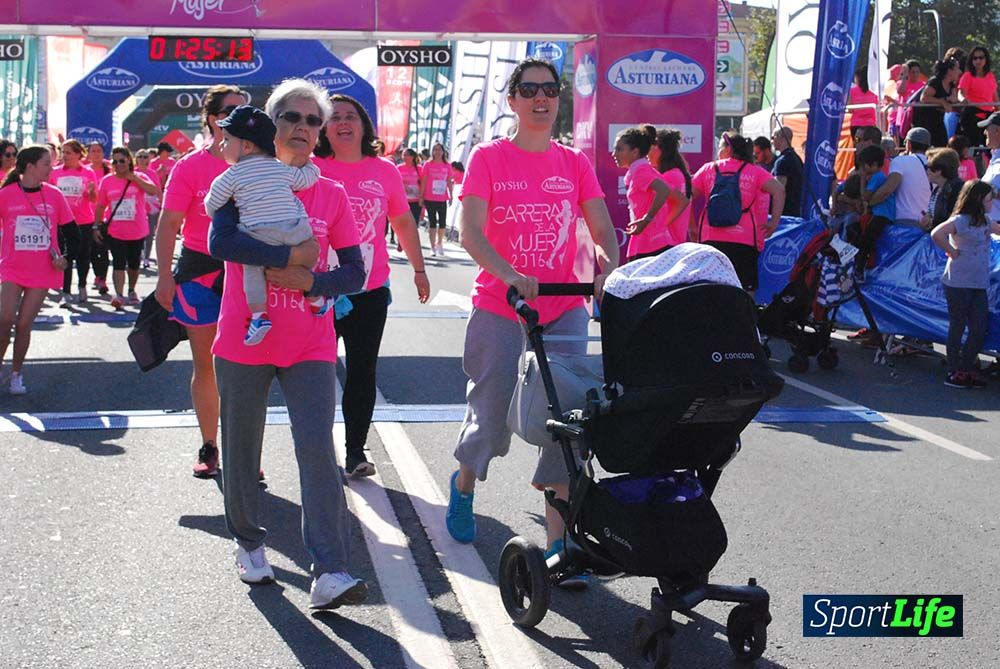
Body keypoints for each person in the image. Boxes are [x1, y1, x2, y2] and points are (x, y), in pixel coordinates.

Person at [446, 59, 620, 583]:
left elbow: (603, 230)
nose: (541, 98)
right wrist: (510, 274)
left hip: (563, 308)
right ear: (513, 100)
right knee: (491, 413)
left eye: (549, 89)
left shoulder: (574, 162)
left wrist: (607, 269)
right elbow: (470, 231)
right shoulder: (489, 157)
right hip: (501, 305)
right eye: (529, 90)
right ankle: (464, 484)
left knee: (569, 421)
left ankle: (559, 544)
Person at [207, 79, 370, 607]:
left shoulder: (332, 193)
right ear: (270, 125)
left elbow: (356, 273)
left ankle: (331, 570)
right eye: (292, 117)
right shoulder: (241, 179)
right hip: (245, 338)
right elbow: (220, 242)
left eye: (312, 120)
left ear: (320, 133)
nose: (303, 127)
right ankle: (249, 543)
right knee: (241, 448)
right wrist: (289, 258)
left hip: (310, 343)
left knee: (318, 450)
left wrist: (313, 281)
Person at [314, 94, 430, 477]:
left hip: (369, 290)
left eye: (351, 116)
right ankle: (317, 452)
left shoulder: (384, 171)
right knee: (314, 373)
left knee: (362, 372)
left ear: (364, 126)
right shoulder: (309, 167)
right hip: (317, 289)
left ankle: (354, 452)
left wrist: (419, 269)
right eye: (334, 117)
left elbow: (403, 222)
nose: (343, 122)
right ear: (323, 128)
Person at [155, 84, 247, 478]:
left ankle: (244, 451)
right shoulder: (189, 167)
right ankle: (210, 445)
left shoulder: (262, 162)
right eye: (232, 111)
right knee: (207, 365)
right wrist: (163, 276)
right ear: (213, 119)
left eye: (246, 110)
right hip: (200, 274)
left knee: (244, 368)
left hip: (247, 274)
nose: (242, 118)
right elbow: (168, 223)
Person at [204, 105, 324, 346]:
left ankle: (259, 315)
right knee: (308, 254)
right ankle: (316, 298)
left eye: (227, 140)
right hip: (296, 230)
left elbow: (211, 204)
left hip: (261, 234)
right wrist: (311, 165)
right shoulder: (281, 169)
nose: (221, 145)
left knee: (252, 267)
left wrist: (228, 207)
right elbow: (305, 180)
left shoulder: (231, 176)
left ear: (247, 146)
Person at [0, 146, 73, 394]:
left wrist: (64, 257)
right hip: (12, 267)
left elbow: (73, 233)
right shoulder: (6, 195)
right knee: (4, 319)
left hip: (43, 270)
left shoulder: (54, 195)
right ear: (30, 166)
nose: (51, 168)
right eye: (46, 164)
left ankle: (16, 374)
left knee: (23, 324)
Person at [691, 131, 785, 292]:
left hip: (710, 238)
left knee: (710, 290)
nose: (718, 151)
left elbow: (687, 196)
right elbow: (779, 190)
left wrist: (692, 226)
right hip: (744, 240)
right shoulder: (754, 171)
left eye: (720, 147)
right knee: (745, 290)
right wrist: (774, 223)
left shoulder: (709, 168)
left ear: (728, 149)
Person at [931, 181, 1000, 388]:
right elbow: (937, 233)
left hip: (979, 282)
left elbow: (998, 229)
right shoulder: (960, 220)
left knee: (979, 328)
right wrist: (951, 251)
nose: (991, 203)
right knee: (958, 325)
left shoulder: (986, 220)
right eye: (988, 200)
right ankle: (954, 370)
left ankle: (966, 366)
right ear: (978, 200)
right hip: (958, 281)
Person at [94, 147, 160, 309]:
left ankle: (131, 290)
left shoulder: (139, 177)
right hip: (115, 230)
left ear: (129, 160)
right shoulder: (107, 181)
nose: (118, 164)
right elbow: (100, 205)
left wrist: (134, 178)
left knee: (133, 264)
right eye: (115, 161)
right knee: (118, 262)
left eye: (122, 161)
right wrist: (96, 226)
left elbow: (154, 191)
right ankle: (119, 294)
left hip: (137, 230)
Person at [611, 125, 687, 261]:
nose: (614, 154)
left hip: (650, 247)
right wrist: (657, 224)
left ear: (635, 152)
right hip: (651, 244)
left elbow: (665, 191)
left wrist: (648, 220)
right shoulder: (645, 170)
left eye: (619, 149)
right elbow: (681, 200)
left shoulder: (641, 171)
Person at [49, 139, 97, 303]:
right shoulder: (55, 172)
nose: (65, 155)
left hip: (83, 220)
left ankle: (82, 286)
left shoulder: (88, 172)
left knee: (83, 256)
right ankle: (66, 291)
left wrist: (91, 192)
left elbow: (93, 198)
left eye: (68, 152)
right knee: (65, 256)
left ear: (78, 154)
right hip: (61, 221)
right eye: (63, 152)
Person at [868, 127, 931, 229]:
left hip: (904, 223)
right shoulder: (934, 165)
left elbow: (887, 190)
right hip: (929, 222)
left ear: (909, 144)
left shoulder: (900, 161)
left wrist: (868, 203)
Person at [854, 145, 895, 280]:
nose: (863, 169)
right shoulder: (877, 177)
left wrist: (862, 180)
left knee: (866, 240)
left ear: (874, 165)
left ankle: (860, 268)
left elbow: (865, 196)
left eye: (864, 166)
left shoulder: (877, 177)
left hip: (882, 215)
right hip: (879, 214)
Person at [650, 127, 693, 248]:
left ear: (660, 149)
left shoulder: (670, 176)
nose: (647, 152)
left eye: (650, 147)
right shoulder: (676, 174)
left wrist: (656, 228)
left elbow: (681, 203)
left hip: (667, 244)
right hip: (673, 243)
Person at [84, 142, 112, 296]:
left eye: (99, 151)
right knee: (92, 251)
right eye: (93, 151)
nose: (96, 153)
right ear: (88, 154)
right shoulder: (85, 171)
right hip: (87, 215)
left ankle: (102, 279)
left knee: (102, 248)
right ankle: (97, 275)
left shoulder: (110, 169)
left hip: (105, 216)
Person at [913, 58, 960, 148]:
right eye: (957, 69)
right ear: (949, 71)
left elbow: (954, 99)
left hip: (938, 119)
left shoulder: (951, 84)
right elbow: (924, 98)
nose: (959, 71)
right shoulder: (935, 81)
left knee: (942, 144)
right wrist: (942, 101)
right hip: (925, 119)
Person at [958, 47, 998, 149]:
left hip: (989, 116)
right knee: (974, 145)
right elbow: (960, 93)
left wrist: (998, 111)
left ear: (986, 59)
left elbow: (994, 96)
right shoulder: (967, 76)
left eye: (981, 57)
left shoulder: (990, 75)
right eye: (975, 58)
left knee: (991, 145)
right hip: (972, 115)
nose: (978, 61)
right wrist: (963, 99)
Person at [420, 142, 454, 258]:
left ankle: (439, 243)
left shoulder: (447, 165)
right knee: (433, 222)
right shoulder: (428, 164)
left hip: (442, 198)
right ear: (432, 152)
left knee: (443, 223)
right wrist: (421, 196)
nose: (437, 152)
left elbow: (449, 181)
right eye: (435, 149)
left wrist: (451, 195)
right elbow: (424, 180)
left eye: (439, 149)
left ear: (443, 152)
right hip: (430, 197)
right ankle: (432, 247)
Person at [921, 148, 965, 230]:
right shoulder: (938, 189)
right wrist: (928, 218)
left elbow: (954, 220)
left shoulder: (957, 190)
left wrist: (933, 222)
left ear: (938, 171)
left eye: (927, 167)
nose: (926, 171)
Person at [134, 149, 162, 269]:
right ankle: (139, 253)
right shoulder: (133, 172)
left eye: (145, 157)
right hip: (137, 206)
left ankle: (146, 257)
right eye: (140, 156)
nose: (142, 159)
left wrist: (162, 204)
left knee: (149, 233)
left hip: (152, 207)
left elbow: (158, 190)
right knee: (138, 233)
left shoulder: (152, 173)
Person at [771, 126, 803, 217]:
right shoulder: (797, 159)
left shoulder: (782, 161)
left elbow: (778, 190)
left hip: (784, 214)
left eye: (773, 137)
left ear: (780, 137)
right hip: (796, 210)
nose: (772, 141)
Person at [978, 112, 1000, 222]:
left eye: (987, 128)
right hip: (989, 225)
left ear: (998, 131)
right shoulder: (995, 156)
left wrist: (985, 189)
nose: (984, 132)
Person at [943, 47, 968, 138]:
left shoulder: (966, 76)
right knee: (951, 137)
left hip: (965, 112)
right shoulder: (945, 77)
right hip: (951, 112)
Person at [397, 147, 422, 231]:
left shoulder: (419, 168)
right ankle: (401, 239)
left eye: (407, 155)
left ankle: (412, 238)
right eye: (403, 155)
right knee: (403, 223)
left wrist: (421, 197)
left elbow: (423, 183)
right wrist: (403, 186)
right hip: (403, 200)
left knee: (414, 223)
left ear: (412, 157)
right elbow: (395, 182)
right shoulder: (398, 168)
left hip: (415, 200)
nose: (405, 157)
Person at [849, 67, 879, 135]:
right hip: (871, 124)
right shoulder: (875, 91)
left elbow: (850, 110)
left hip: (856, 124)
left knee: (857, 142)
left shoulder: (852, 92)